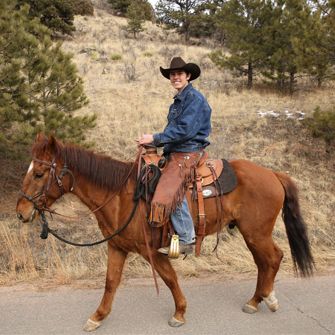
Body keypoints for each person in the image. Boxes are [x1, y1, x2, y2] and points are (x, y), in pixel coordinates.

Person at [138, 57, 212, 255]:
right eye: (172, 74)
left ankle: (187, 238)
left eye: (179, 74)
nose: (175, 77)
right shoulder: (178, 102)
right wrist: (154, 143)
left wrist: (155, 137)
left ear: (188, 76)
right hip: (176, 151)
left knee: (170, 189)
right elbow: (174, 131)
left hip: (188, 151)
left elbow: (185, 131)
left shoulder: (194, 99)